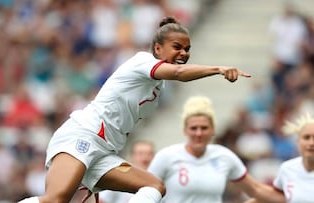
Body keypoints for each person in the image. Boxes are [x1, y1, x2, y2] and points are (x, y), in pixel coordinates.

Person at [18, 16, 251, 203]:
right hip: (84, 134)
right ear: (158, 49)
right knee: (56, 199)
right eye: (177, 47)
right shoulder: (142, 61)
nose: (184, 53)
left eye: (187, 49)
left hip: (104, 150)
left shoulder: (157, 89)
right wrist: (218, 68)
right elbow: (179, 73)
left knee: (154, 186)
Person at [147, 95, 285, 203]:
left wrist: (293, 196)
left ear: (213, 130)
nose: (199, 133)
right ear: (185, 130)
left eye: (204, 128)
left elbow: (255, 189)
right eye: (193, 128)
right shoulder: (166, 156)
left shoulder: (224, 156)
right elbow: (145, 192)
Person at [245, 113, 314, 203]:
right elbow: (273, 196)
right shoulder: (287, 168)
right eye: (306, 137)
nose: (311, 143)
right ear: (297, 141)